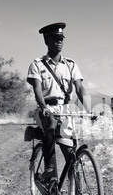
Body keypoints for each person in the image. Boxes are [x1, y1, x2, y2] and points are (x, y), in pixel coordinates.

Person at [27, 22, 91, 181]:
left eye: (61, 38)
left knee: (70, 153)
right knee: (50, 124)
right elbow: (37, 89)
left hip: (65, 110)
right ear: (46, 40)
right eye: (55, 38)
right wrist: (43, 107)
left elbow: (79, 88)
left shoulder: (70, 64)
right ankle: (49, 170)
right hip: (47, 108)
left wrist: (88, 110)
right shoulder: (37, 64)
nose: (59, 41)